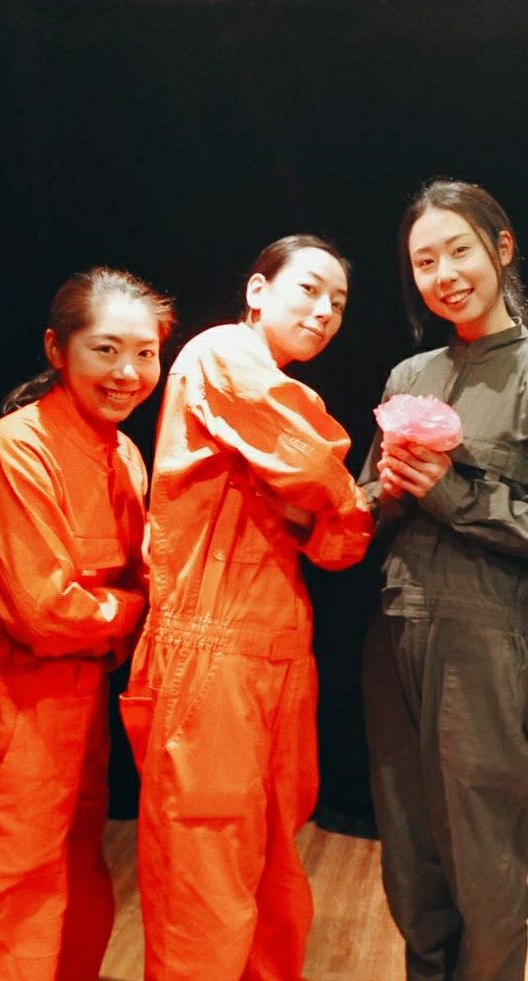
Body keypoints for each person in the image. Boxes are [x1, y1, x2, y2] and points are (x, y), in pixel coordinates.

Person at [358, 178, 528, 981]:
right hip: (394, 631)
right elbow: (359, 511)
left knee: (486, 866)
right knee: (409, 861)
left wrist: (455, 494)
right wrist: (383, 494)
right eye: (424, 261)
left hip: (487, 639)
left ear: (502, 249)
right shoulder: (409, 375)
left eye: (459, 251)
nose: (444, 275)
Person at [121, 234, 374, 980]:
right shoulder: (220, 354)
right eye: (309, 289)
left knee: (272, 873)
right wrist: (338, 500)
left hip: (274, 650)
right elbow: (315, 466)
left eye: (338, 302)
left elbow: (337, 542)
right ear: (258, 291)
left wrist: (328, 508)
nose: (324, 311)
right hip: (213, 654)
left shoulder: (277, 389)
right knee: (204, 880)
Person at [0, 267, 175, 979]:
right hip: (1, 722)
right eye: (106, 349)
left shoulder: (123, 454)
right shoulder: (13, 449)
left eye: (146, 353)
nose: (128, 372)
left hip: (77, 717)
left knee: (73, 909)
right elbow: (46, 614)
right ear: (57, 349)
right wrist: (143, 609)